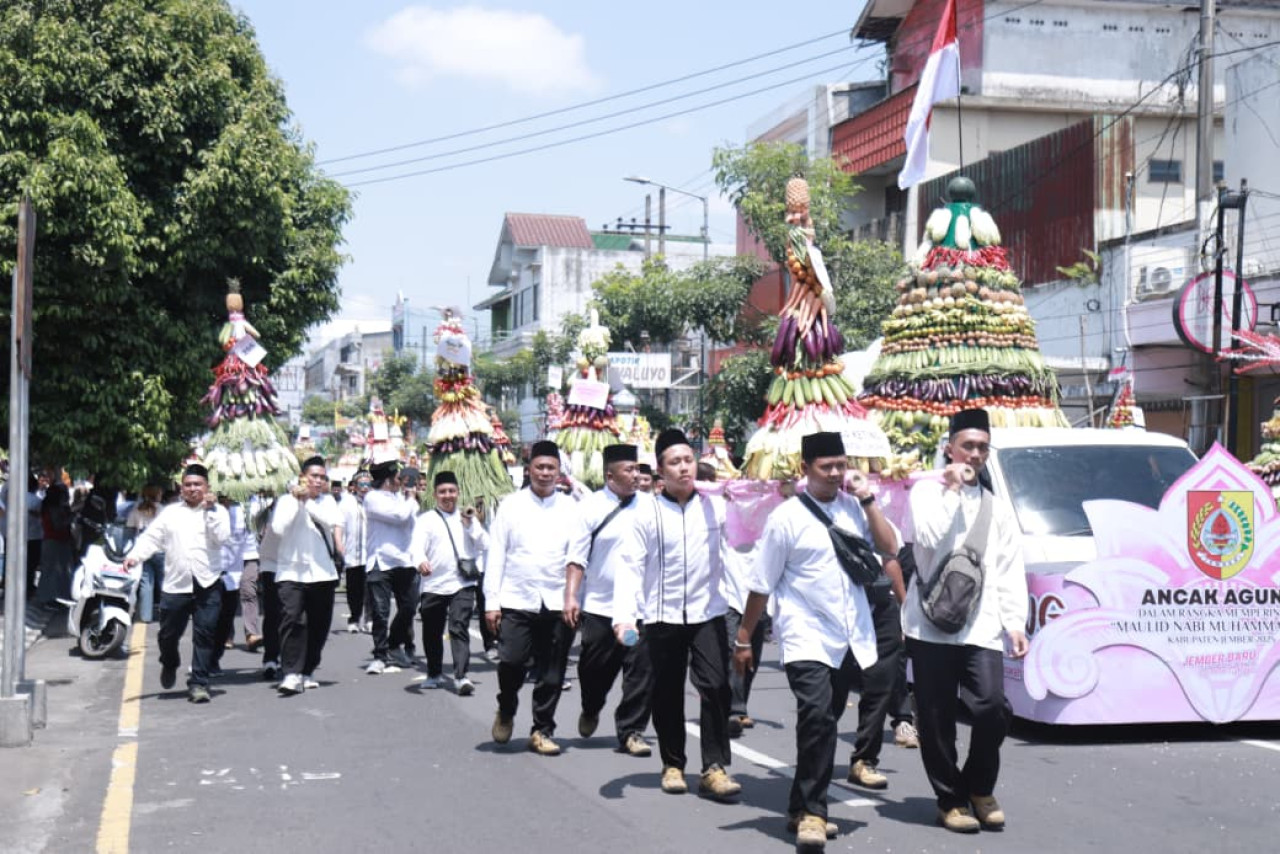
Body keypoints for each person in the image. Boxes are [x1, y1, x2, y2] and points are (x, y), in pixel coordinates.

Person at [732, 431, 899, 849]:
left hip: (851, 636)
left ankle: (798, 805)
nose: (836, 474)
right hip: (805, 634)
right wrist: (744, 636)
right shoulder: (786, 518)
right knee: (817, 716)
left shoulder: (854, 509)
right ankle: (812, 812)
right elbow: (761, 583)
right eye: (827, 467)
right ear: (805, 469)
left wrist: (868, 499)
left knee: (826, 720)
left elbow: (889, 548)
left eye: (841, 465)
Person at [904, 408, 1029, 833]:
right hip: (929, 626)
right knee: (936, 718)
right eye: (967, 446)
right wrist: (952, 491)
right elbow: (925, 537)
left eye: (982, 448)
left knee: (992, 707)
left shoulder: (996, 506)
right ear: (949, 448)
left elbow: (1010, 565)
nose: (975, 455)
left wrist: (1015, 621)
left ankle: (979, 786)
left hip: (982, 626)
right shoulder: (924, 491)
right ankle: (950, 799)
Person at [613, 429, 741, 801]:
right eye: (674, 463)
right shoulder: (646, 513)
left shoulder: (716, 505)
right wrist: (624, 617)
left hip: (708, 612)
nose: (684, 468)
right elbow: (630, 566)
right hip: (661, 616)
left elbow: (746, 535)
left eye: (688, 460)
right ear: (660, 470)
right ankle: (673, 763)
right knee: (667, 692)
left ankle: (714, 767)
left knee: (716, 686)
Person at [484, 441, 576, 756]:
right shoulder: (511, 505)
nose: (546, 473)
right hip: (517, 597)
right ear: (529, 470)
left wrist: (574, 598)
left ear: (559, 473)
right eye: (540, 467)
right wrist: (491, 601)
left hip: (556, 601)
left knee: (552, 673)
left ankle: (542, 729)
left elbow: (577, 557)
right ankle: (506, 707)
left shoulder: (570, 507)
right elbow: (496, 553)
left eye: (552, 468)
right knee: (511, 661)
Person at [563, 444, 653, 758]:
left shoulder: (651, 506)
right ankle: (591, 705)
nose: (636, 476)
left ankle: (631, 731)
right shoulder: (589, 508)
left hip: (641, 607)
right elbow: (576, 558)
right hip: (601, 606)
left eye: (638, 469)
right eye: (629, 470)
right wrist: (571, 596)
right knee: (593, 671)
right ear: (609, 474)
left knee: (641, 672)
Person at [124, 464, 232, 703]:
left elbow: (222, 537)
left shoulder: (219, 512)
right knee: (167, 635)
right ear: (181, 488)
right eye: (188, 484)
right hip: (176, 584)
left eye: (198, 484)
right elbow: (152, 538)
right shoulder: (171, 513)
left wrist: (211, 510)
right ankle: (170, 662)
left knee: (205, 634)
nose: (193, 489)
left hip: (208, 582)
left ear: (207, 487)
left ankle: (199, 683)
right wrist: (134, 556)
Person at [271, 456, 345, 695]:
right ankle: (291, 673)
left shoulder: (328, 503)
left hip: (322, 572)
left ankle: (308, 670)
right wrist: (296, 502)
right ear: (303, 476)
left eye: (323, 477)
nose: (318, 481)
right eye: (314, 476)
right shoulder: (285, 501)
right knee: (292, 620)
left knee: (318, 625)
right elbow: (278, 528)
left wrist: (307, 502)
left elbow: (333, 523)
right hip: (291, 571)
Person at [412, 471, 490, 693]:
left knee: (458, 627)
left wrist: (470, 525)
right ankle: (434, 672)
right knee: (432, 631)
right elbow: (416, 547)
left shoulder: (468, 518)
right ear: (435, 494)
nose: (448, 496)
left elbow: (486, 544)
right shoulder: (425, 520)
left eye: (452, 491)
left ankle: (461, 676)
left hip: (462, 584)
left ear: (458, 493)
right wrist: (421, 562)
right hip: (434, 585)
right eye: (443, 492)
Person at [363, 459, 420, 674]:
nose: (402, 481)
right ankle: (380, 655)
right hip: (381, 561)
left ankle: (395, 643)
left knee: (410, 605)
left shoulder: (402, 498)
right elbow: (400, 516)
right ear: (388, 479)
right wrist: (411, 497)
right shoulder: (372, 498)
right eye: (399, 477)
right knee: (380, 612)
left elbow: (412, 523)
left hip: (405, 560)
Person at [126, 485, 165, 623]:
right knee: (164, 583)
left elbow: (129, 529)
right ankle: (167, 612)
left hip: (143, 551)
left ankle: (145, 615)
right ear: (157, 494)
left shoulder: (137, 510)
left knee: (146, 584)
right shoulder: (162, 510)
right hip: (160, 550)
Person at [339, 470, 370, 633]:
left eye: (367, 484)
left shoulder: (374, 502)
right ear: (355, 486)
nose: (364, 488)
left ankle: (369, 619)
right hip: (352, 553)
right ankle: (354, 618)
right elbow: (340, 525)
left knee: (370, 589)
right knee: (354, 590)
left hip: (370, 554)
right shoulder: (346, 503)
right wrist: (340, 546)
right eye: (361, 484)